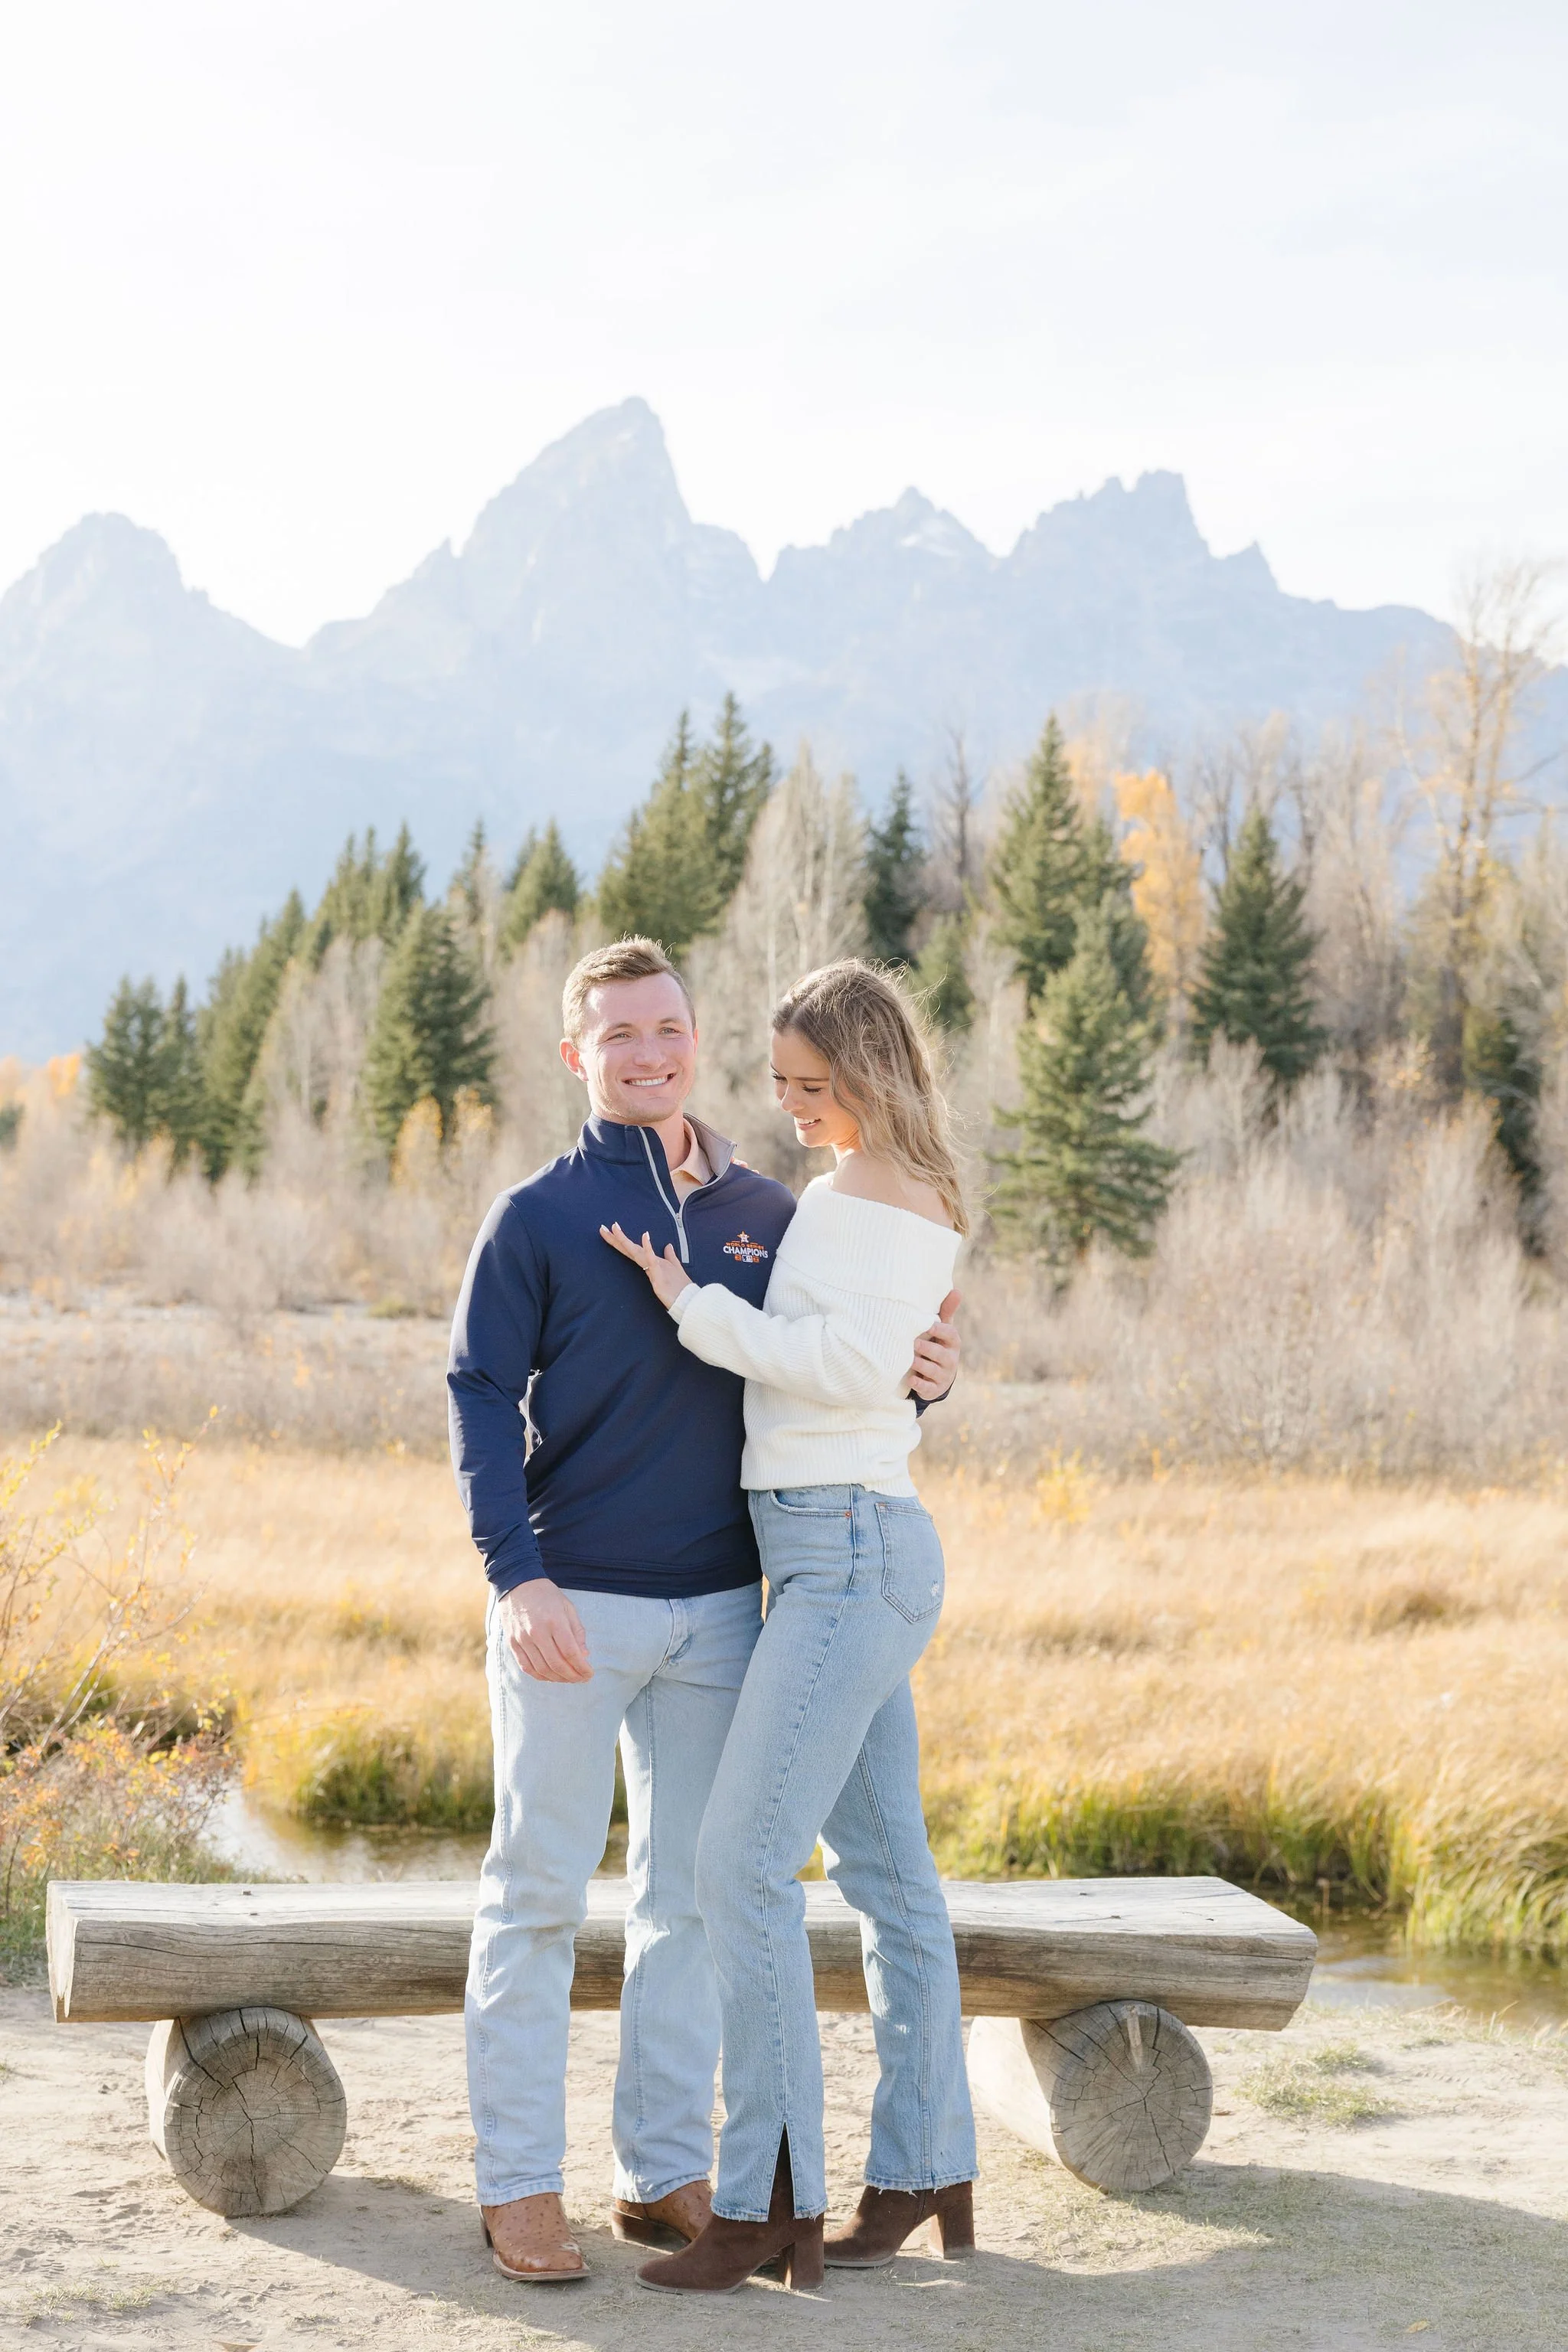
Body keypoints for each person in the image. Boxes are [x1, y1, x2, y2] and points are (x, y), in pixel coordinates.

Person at [446, 936, 960, 2284]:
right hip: (577, 1606)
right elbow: (478, 1398)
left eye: (668, 1027)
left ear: (695, 1035)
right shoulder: (537, 1216)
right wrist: (516, 1576)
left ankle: (662, 2168)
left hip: (734, 1608)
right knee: (537, 1896)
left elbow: (842, 1367)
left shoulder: (763, 1207)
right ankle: (520, 2188)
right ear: (580, 1054)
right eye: (620, 1035)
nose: (651, 1052)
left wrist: (930, 1378)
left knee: (685, 1897)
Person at [600, 957, 977, 2295]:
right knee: (886, 1880)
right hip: (832, 1547)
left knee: (737, 1870)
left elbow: (845, 1364)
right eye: (781, 1086)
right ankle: (925, 2163)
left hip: (847, 1557)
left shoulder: (884, 1190)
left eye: (814, 1087)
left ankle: (768, 2201)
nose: (796, 1107)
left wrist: (692, 1307)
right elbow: (877, 1352)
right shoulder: (852, 1189)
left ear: (870, 1076)